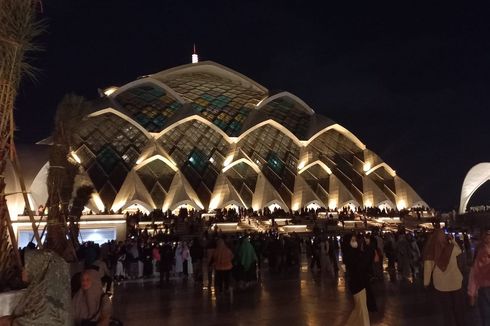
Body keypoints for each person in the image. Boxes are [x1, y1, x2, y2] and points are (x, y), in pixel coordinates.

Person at [11, 249, 71, 325]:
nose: (22, 270)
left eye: (26, 266)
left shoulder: (47, 299)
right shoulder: (39, 291)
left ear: (38, 267)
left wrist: (11, 322)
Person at [423, 229, 466, 326]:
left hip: (441, 285)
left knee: (447, 311)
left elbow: (427, 268)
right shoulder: (452, 248)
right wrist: (453, 241)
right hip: (456, 282)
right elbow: (459, 251)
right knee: (458, 309)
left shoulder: (431, 250)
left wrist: (426, 282)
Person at [343, 234, 370, 326]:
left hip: (359, 281)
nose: (354, 242)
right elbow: (361, 264)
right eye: (352, 240)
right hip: (357, 282)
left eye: (355, 240)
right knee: (361, 307)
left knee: (360, 307)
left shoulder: (354, 252)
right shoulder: (351, 254)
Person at [468, 232, 490, 325]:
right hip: (484, 288)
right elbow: (474, 273)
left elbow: (474, 272)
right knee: (486, 316)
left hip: (484, 288)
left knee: (486, 316)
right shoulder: (481, 252)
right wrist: (472, 292)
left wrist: (472, 293)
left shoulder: (480, 251)